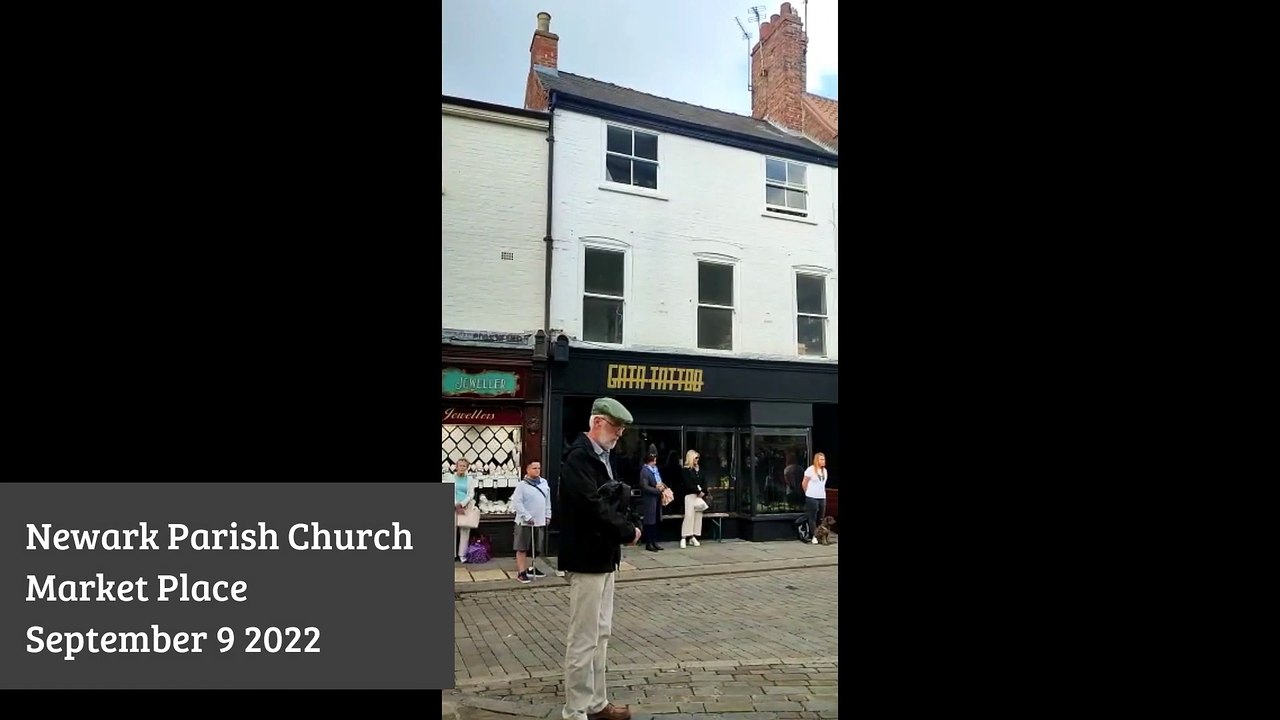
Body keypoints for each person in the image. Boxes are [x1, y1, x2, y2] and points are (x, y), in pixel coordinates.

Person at [558, 397, 641, 720]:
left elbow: (609, 498)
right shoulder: (578, 458)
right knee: (583, 637)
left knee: (601, 633)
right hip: (586, 556)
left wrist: (625, 521)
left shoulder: (603, 457)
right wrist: (627, 530)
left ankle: (596, 702)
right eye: (615, 428)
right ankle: (575, 710)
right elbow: (591, 505)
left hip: (604, 556)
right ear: (596, 423)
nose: (618, 435)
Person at [513, 460, 551, 583]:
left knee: (536, 548)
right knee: (522, 547)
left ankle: (531, 568)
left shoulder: (544, 483)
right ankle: (521, 572)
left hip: (539, 520)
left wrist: (548, 515)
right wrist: (527, 517)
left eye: (538, 468)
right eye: (534, 468)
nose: (537, 470)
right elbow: (517, 503)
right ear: (528, 470)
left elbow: (547, 500)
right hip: (525, 522)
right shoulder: (521, 485)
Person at [638, 453, 665, 552]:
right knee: (650, 521)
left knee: (656, 520)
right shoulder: (645, 471)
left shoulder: (655, 470)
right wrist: (657, 490)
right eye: (654, 460)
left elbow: (659, 481)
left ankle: (655, 541)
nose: (655, 462)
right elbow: (644, 486)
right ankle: (649, 543)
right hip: (649, 499)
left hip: (656, 499)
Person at [679, 449, 706, 549]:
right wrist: (698, 491)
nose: (697, 460)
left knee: (698, 516)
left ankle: (693, 536)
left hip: (699, 496)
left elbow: (704, 481)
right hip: (690, 495)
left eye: (698, 458)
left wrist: (703, 491)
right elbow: (688, 483)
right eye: (695, 458)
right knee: (689, 516)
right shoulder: (686, 470)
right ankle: (684, 536)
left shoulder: (699, 470)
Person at [802, 452, 829, 546]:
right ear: (817, 460)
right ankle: (814, 536)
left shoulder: (824, 471)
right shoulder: (810, 470)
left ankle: (820, 535)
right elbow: (804, 483)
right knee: (812, 517)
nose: (823, 461)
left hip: (822, 496)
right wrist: (808, 492)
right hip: (812, 496)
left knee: (821, 517)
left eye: (824, 459)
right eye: (821, 459)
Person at [452, 458, 476, 562]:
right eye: (460, 466)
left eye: (464, 466)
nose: (461, 468)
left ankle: (462, 554)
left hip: (465, 506)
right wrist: (456, 504)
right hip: (453, 505)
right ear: (456, 467)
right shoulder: (450, 478)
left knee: (465, 530)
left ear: (467, 468)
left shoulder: (470, 480)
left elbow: (471, 494)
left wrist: (462, 503)